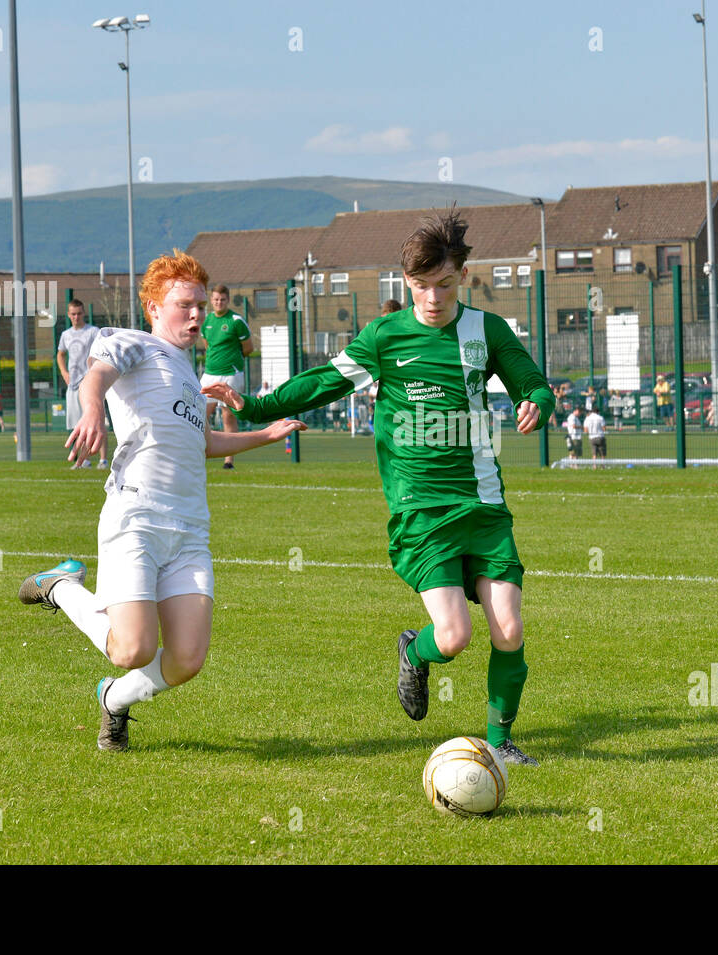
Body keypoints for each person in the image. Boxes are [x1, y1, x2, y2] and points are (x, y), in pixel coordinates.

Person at [207, 209, 555, 766]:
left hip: (484, 505)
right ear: (405, 282)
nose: (433, 298)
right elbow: (323, 381)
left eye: (443, 285)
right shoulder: (385, 336)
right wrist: (257, 405)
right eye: (420, 286)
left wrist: (536, 399)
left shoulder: (486, 331)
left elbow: (529, 378)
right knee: (454, 637)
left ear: (462, 275)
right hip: (421, 510)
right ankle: (414, 653)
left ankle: (499, 742)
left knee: (509, 628)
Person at [17, 251, 304, 752]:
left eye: (199, 304)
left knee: (187, 659)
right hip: (137, 517)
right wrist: (93, 415)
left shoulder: (191, 379)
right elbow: (96, 376)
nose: (196, 315)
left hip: (190, 529)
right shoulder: (135, 344)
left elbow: (205, 445)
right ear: (153, 306)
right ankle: (61, 587)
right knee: (133, 647)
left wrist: (265, 434)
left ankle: (114, 700)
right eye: (184, 304)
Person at [199, 285, 253, 470]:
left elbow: (248, 348)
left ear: (227, 300)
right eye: (215, 299)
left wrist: (232, 360)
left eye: (222, 299)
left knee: (228, 415)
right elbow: (207, 345)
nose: (218, 302)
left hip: (231, 374)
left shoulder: (236, 321)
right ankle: (198, 452)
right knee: (199, 413)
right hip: (209, 373)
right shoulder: (206, 321)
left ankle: (229, 459)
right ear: (211, 300)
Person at [58, 299, 108, 470]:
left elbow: (102, 353)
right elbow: (60, 355)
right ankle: (83, 461)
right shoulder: (66, 334)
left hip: (90, 385)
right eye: (73, 314)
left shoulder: (93, 332)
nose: (76, 317)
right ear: (68, 315)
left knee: (98, 420)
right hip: (73, 386)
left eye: (79, 313)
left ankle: (103, 460)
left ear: (84, 313)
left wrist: (95, 374)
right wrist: (64, 373)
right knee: (77, 425)